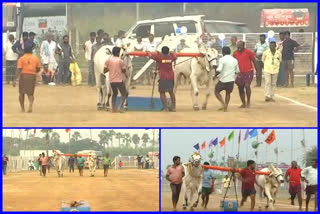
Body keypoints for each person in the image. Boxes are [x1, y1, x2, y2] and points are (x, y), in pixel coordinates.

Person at [147, 46, 177, 112]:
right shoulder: (171, 57)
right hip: (171, 76)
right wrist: (172, 53)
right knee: (171, 92)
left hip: (163, 77)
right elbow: (175, 57)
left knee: (162, 92)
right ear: (168, 51)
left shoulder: (159, 57)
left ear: (162, 52)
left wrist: (147, 51)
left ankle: (166, 108)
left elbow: (150, 56)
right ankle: (174, 107)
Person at [13, 42, 41, 113]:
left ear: (24, 51)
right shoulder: (35, 58)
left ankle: (22, 108)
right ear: (31, 51)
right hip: (32, 76)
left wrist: (15, 79)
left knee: (21, 93)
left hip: (23, 76)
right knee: (30, 93)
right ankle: (30, 105)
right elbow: (38, 69)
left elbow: (19, 69)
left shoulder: (21, 59)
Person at [233, 41, 258, 108]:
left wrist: (257, 70)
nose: (239, 47)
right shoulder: (235, 53)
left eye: (240, 45)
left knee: (247, 86)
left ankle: (248, 101)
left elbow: (254, 61)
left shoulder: (249, 52)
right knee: (240, 88)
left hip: (248, 72)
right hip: (239, 73)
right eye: (238, 46)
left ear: (244, 45)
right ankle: (243, 103)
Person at [214, 46, 239, 112]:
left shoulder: (222, 59)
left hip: (223, 79)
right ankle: (225, 107)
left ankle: (223, 104)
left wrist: (215, 76)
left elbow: (219, 69)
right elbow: (237, 71)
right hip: (231, 80)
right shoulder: (235, 60)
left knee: (216, 91)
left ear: (223, 52)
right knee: (228, 93)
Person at [104, 46, 128, 113]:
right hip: (119, 80)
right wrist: (126, 75)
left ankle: (113, 108)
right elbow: (123, 70)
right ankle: (120, 107)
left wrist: (111, 68)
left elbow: (104, 70)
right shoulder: (120, 61)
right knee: (124, 93)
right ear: (118, 53)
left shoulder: (108, 60)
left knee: (114, 94)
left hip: (112, 80)